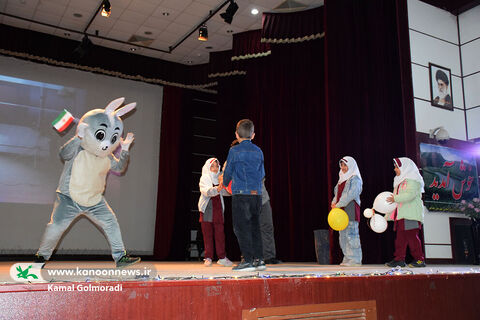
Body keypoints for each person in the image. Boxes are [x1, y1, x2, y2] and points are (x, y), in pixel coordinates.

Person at [223, 119, 265, 271]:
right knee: (255, 226)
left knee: (241, 227)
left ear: (236, 134)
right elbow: (262, 174)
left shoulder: (234, 151)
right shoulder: (259, 151)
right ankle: (259, 260)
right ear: (253, 135)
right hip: (256, 194)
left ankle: (247, 260)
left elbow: (228, 172)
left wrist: (225, 182)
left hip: (241, 194)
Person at [385, 157, 426, 268]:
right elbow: (395, 199)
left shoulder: (413, 180)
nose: (395, 169)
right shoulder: (399, 182)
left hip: (411, 215)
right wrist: (388, 214)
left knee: (412, 237)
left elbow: (409, 195)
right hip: (401, 215)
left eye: (397, 167)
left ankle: (419, 259)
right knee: (400, 239)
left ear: (405, 168)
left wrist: (395, 198)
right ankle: (399, 259)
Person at [198, 158, 233, 267]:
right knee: (207, 234)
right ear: (208, 167)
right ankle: (208, 257)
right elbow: (205, 191)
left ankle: (222, 257)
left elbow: (225, 192)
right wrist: (217, 189)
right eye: (212, 166)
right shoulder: (204, 178)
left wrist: (231, 190)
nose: (215, 168)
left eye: (217, 166)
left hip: (218, 208)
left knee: (220, 234)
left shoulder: (220, 179)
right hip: (207, 208)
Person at [331, 156, 363, 266]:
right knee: (343, 235)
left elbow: (352, 194)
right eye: (342, 165)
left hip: (350, 209)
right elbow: (337, 194)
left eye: (346, 165)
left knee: (352, 234)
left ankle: (355, 259)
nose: (343, 167)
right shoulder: (341, 179)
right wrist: (334, 203)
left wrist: (339, 204)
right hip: (341, 211)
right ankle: (348, 258)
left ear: (351, 166)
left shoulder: (355, 178)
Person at [260, 179, 282, 264]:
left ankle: (269, 256)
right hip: (247, 199)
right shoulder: (235, 165)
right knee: (249, 230)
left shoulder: (258, 165)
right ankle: (248, 257)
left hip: (263, 199)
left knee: (267, 226)